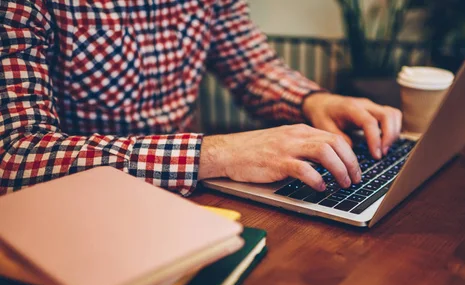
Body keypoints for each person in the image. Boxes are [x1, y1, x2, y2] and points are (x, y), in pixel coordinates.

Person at [0, 0, 402, 196]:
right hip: (81, 213)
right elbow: (14, 154)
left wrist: (313, 101)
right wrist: (218, 154)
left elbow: (252, 69)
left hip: (192, 197)